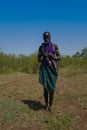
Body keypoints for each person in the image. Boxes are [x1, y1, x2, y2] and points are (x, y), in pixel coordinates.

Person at [38, 31, 61, 113]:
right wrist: (42, 56)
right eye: (45, 36)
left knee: (52, 89)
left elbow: (59, 57)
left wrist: (52, 56)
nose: (46, 38)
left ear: (50, 37)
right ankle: (46, 105)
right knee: (45, 88)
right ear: (43, 37)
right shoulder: (41, 47)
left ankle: (51, 106)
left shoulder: (54, 46)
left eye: (47, 36)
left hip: (52, 69)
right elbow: (38, 60)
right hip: (44, 69)